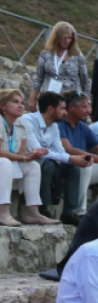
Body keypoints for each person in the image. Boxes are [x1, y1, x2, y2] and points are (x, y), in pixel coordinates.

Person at [20, 90, 91, 223]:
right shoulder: (27, 121)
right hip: (29, 160)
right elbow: (37, 151)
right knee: (48, 164)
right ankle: (43, 209)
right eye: (62, 109)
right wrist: (70, 158)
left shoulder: (54, 126)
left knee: (72, 167)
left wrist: (73, 160)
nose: (65, 113)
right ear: (51, 109)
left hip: (46, 160)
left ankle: (69, 212)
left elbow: (60, 150)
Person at [0, 88, 54, 226]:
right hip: (3, 163)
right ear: (2, 106)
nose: (20, 105)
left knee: (33, 166)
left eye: (22, 102)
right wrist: (24, 157)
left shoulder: (21, 123)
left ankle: (32, 213)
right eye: (15, 102)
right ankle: (3, 213)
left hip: (8, 162)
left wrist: (32, 154)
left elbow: (20, 153)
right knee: (5, 162)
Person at [30, 22, 89, 113]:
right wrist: (32, 98)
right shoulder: (46, 54)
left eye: (69, 38)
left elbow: (85, 81)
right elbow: (38, 78)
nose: (67, 41)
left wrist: (87, 102)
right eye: (64, 38)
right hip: (50, 98)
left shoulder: (78, 56)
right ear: (57, 37)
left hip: (71, 101)